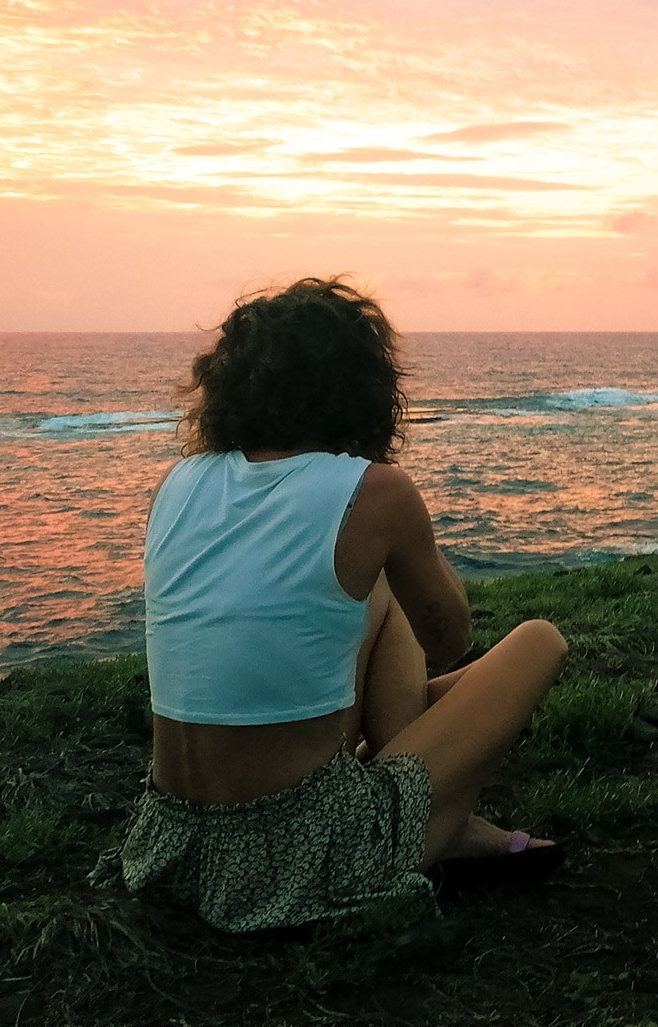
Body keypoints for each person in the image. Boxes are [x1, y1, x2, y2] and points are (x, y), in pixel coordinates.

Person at [105, 277, 568, 933]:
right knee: (539, 641)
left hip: (174, 846)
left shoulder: (179, 483)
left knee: (366, 590)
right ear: (366, 387)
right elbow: (450, 639)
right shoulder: (374, 492)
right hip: (302, 855)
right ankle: (442, 822)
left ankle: (444, 820)